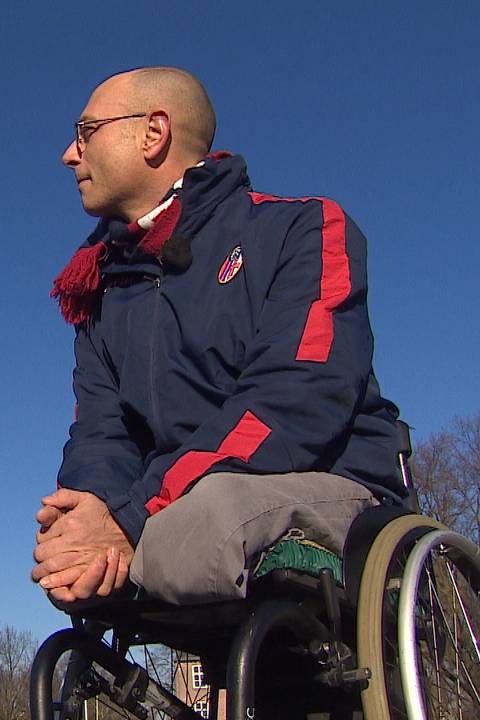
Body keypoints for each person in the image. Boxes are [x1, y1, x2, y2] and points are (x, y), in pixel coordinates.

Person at [32, 67, 408, 607]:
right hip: (175, 501)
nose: (69, 153)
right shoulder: (101, 287)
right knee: (65, 560)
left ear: (153, 133)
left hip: (324, 478)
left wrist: (131, 515)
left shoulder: (302, 230)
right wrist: (89, 509)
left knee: (197, 531)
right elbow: (101, 430)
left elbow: (294, 401)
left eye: (86, 131)